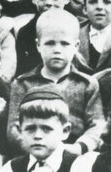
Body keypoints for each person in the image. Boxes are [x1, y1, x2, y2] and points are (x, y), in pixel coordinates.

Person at [7, 9, 98, 154]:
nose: (57, 49)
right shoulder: (22, 83)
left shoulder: (87, 84)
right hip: (33, 150)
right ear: (38, 45)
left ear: (76, 46)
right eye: (50, 43)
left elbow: (97, 125)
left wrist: (79, 147)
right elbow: (14, 127)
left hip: (74, 152)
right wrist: (34, 147)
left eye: (64, 44)